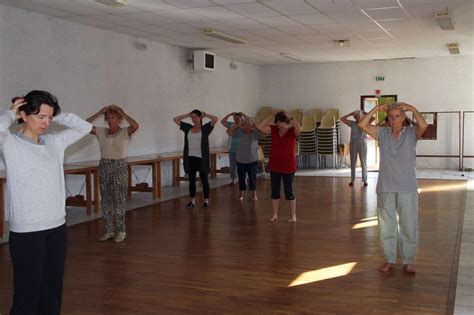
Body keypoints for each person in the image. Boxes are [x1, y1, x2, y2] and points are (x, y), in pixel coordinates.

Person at [0, 91, 92, 314]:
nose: (46, 123)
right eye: (40, 117)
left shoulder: (54, 142)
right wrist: (10, 114)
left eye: (49, 118)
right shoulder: (10, 143)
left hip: (57, 227)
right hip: (27, 230)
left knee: (52, 291)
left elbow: (85, 128)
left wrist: (57, 113)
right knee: (27, 295)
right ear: (23, 114)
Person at [359, 102, 427, 274]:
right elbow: (362, 124)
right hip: (386, 186)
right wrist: (375, 109)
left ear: (403, 118)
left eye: (397, 116)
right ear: (387, 119)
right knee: (386, 225)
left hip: (407, 186)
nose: (393, 119)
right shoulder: (382, 133)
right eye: (390, 116)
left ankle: (408, 260)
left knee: (408, 224)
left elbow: (423, 125)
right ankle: (389, 259)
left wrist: (412, 108)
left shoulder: (412, 133)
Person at [86, 104, 139, 243]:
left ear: (119, 119)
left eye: (113, 117)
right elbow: (83, 126)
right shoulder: (101, 131)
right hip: (104, 166)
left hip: (119, 166)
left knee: (119, 200)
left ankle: (121, 231)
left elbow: (135, 125)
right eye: (108, 118)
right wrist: (98, 112)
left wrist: (124, 113)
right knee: (106, 201)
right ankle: (109, 230)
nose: (110, 120)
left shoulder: (125, 132)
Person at [257, 110, 300, 222]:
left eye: (281, 122)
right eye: (277, 122)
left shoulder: (292, 131)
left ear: (286, 122)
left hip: (288, 166)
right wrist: (271, 114)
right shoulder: (274, 129)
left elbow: (299, 128)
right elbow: (260, 127)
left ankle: (293, 216)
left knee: (289, 191)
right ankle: (275, 215)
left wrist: (290, 116)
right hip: (275, 165)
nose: (279, 124)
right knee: (275, 191)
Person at [173, 110, 218, 209]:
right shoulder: (188, 128)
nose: (193, 119)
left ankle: (206, 201)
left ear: (200, 117)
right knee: (192, 181)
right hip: (190, 158)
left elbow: (215, 119)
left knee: (204, 180)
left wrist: (206, 115)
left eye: (195, 117)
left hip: (201, 158)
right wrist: (186, 114)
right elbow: (175, 119)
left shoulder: (205, 128)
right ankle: (192, 201)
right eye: (192, 117)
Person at [228, 117, 261, 201]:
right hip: (240, 160)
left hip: (252, 160)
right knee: (241, 178)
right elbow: (229, 132)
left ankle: (254, 195)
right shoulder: (239, 131)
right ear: (243, 124)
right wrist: (237, 125)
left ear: (252, 124)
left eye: (249, 124)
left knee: (252, 178)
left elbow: (266, 133)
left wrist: (257, 127)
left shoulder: (256, 133)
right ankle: (241, 194)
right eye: (245, 124)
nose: (247, 126)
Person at [341, 110, 372, 186]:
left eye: (358, 116)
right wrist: (351, 113)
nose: (357, 117)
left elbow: (373, 118)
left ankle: (365, 180)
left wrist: (365, 113)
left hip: (362, 142)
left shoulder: (365, 123)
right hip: (353, 142)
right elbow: (342, 118)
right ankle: (352, 180)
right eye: (356, 116)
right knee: (353, 162)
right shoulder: (352, 123)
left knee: (363, 162)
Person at [221, 112, 244, 186]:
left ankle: (243, 179)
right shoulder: (231, 125)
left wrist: (243, 114)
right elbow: (223, 121)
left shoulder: (244, 125)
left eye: (238, 118)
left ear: (241, 118)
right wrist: (229, 114)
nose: (236, 119)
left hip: (242, 149)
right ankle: (233, 180)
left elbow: (252, 121)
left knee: (242, 166)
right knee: (232, 166)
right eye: (235, 118)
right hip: (232, 149)